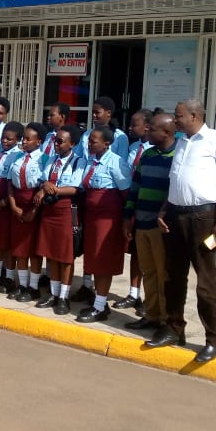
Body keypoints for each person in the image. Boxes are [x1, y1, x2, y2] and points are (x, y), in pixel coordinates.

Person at [149, 99, 216, 364]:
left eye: (179, 116)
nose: (175, 121)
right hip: (175, 216)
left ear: (195, 115)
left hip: (203, 219)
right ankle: (175, 329)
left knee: (206, 281)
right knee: (173, 277)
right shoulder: (182, 142)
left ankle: (214, 340)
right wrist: (164, 210)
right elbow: (177, 181)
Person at [122, 113, 177, 338]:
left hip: (160, 226)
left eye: (152, 129)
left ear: (165, 132)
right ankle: (152, 315)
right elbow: (135, 186)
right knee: (149, 272)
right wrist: (128, 216)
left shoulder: (177, 157)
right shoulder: (147, 155)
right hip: (141, 222)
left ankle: (166, 319)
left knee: (164, 273)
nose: (148, 132)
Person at [75, 126, 131, 322]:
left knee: (103, 261)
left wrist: (126, 221)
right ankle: (98, 300)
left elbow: (126, 194)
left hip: (108, 218)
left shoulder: (116, 163)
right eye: (89, 141)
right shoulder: (89, 161)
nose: (90, 144)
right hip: (91, 217)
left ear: (107, 144)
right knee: (93, 259)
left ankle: (100, 307)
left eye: (94, 141)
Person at [33, 125, 83, 315]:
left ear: (73, 144)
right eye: (55, 140)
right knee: (51, 253)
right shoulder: (52, 160)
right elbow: (42, 179)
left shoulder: (79, 162)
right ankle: (53, 294)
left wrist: (52, 189)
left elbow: (76, 187)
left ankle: (64, 296)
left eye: (61, 141)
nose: (56, 144)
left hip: (65, 210)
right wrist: (44, 185)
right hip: (49, 210)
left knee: (65, 255)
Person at [112, 108, 154, 313]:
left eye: (134, 124)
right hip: (132, 202)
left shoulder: (153, 149)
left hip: (149, 206)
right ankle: (133, 293)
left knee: (150, 254)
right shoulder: (133, 146)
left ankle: (149, 298)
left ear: (147, 126)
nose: (130, 127)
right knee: (136, 252)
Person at [7, 122, 47, 302]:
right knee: (19, 248)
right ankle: (22, 284)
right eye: (23, 138)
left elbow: (43, 187)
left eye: (28, 139)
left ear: (38, 142)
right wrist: (13, 205)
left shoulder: (45, 160)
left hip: (34, 204)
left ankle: (33, 287)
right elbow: (10, 183)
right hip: (18, 201)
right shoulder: (17, 157)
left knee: (33, 250)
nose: (23, 142)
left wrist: (34, 211)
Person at [0, 120, 24, 290]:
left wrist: (3, 202)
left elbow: (14, 183)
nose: (4, 141)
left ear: (18, 140)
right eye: (3, 138)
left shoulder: (19, 155)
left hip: (8, 202)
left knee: (7, 242)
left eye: (9, 139)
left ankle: (8, 277)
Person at [82, 96, 129, 162]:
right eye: (93, 112)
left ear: (108, 113)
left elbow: (122, 161)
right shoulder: (86, 134)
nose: (93, 115)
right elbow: (79, 156)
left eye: (97, 112)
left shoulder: (119, 136)